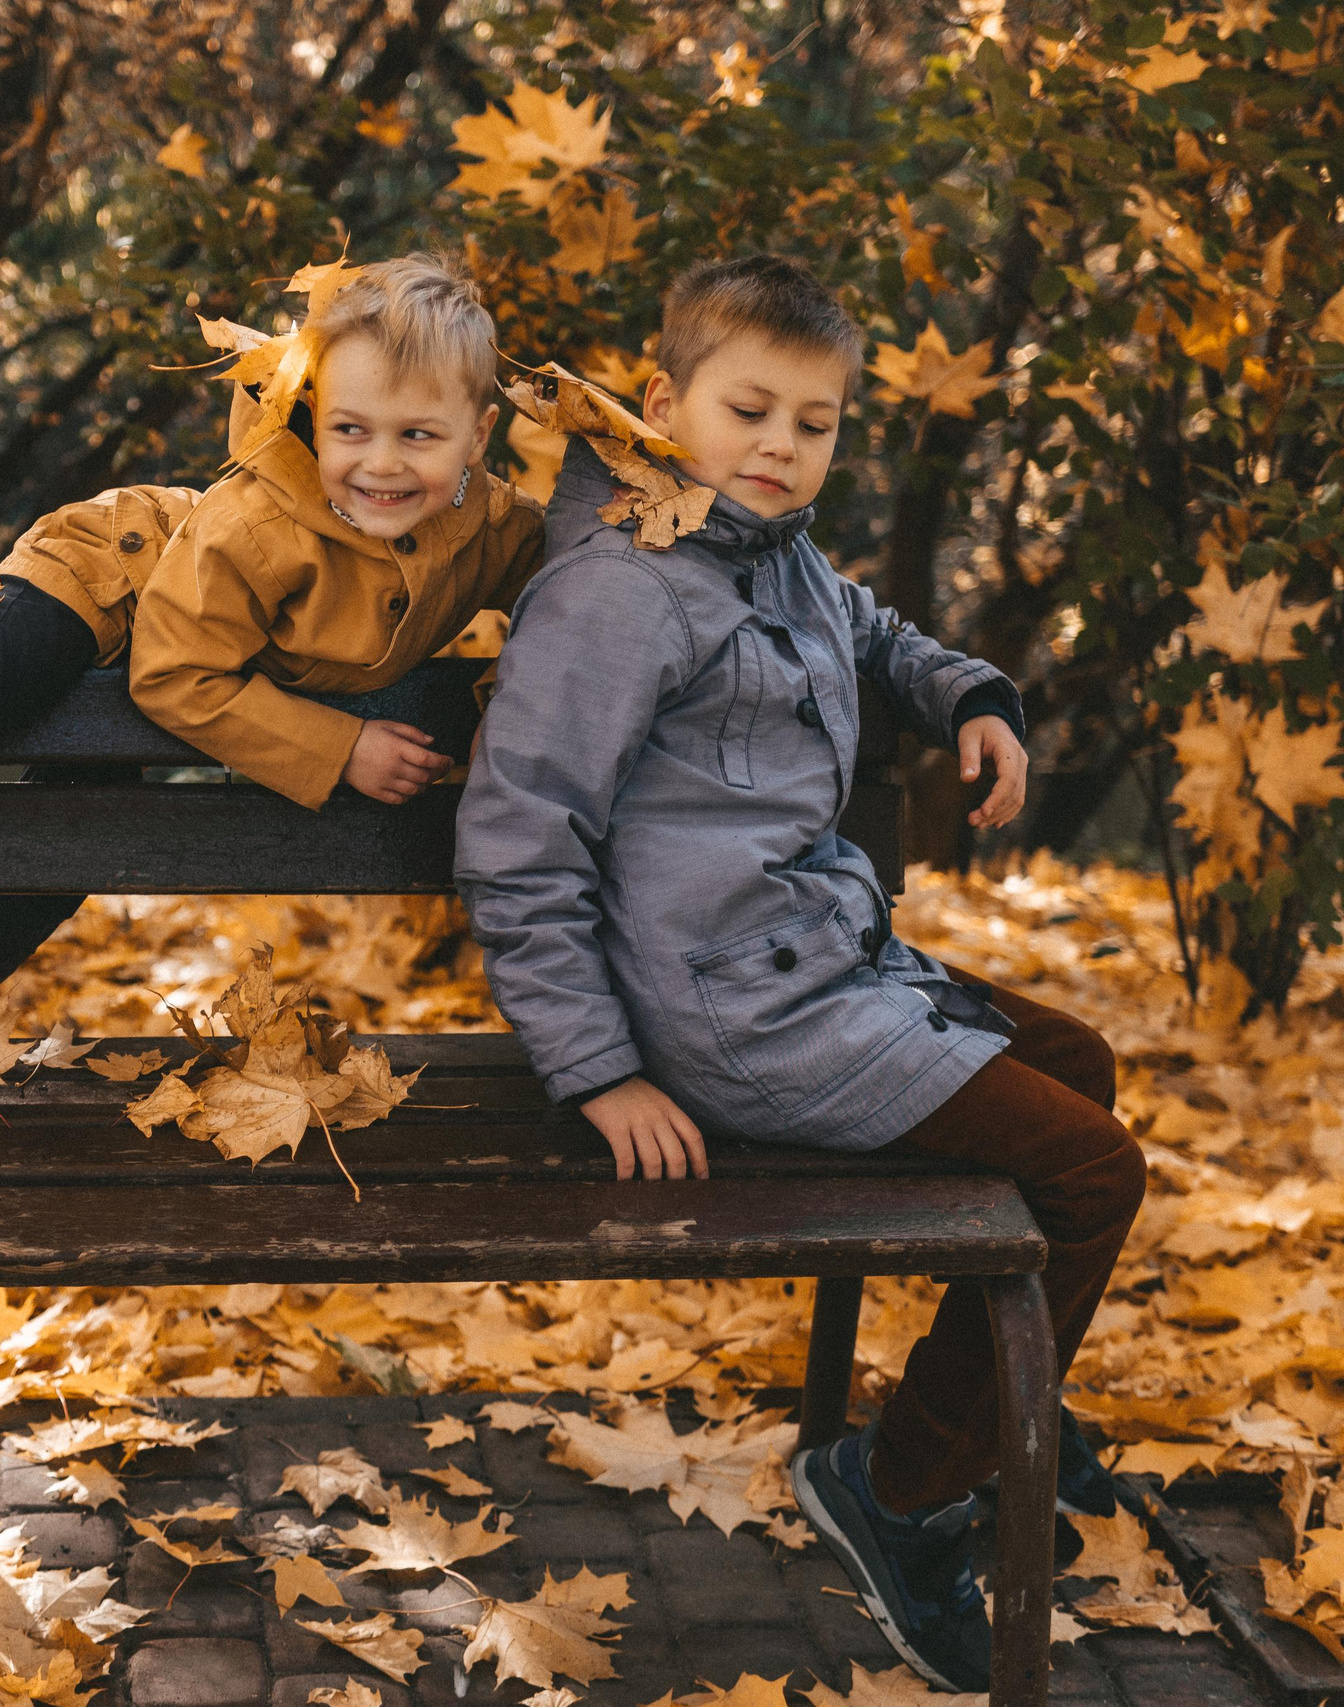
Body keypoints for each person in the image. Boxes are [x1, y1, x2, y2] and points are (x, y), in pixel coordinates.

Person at [452, 256, 1145, 1694]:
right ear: (662, 403)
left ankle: (992, 1414)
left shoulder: (773, 548)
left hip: (807, 952)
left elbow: (872, 629)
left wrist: (972, 695)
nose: (780, 445)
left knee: (1076, 1063)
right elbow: (519, 843)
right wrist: (603, 1069)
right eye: (749, 409)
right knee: (1094, 1171)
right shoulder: (619, 594)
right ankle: (900, 1493)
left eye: (814, 422)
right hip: (731, 1017)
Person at [0, 254, 544, 1039]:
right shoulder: (259, 523)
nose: (380, 465)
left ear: (479, 434)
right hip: (120, 575)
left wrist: (518, 699)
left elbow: (571, 603)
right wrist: (342, 744)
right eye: (350, 430)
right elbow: (174, 674)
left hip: (201, 656)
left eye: (418, 436)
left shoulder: (494, 528)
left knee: (66, 838)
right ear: (316, 412)